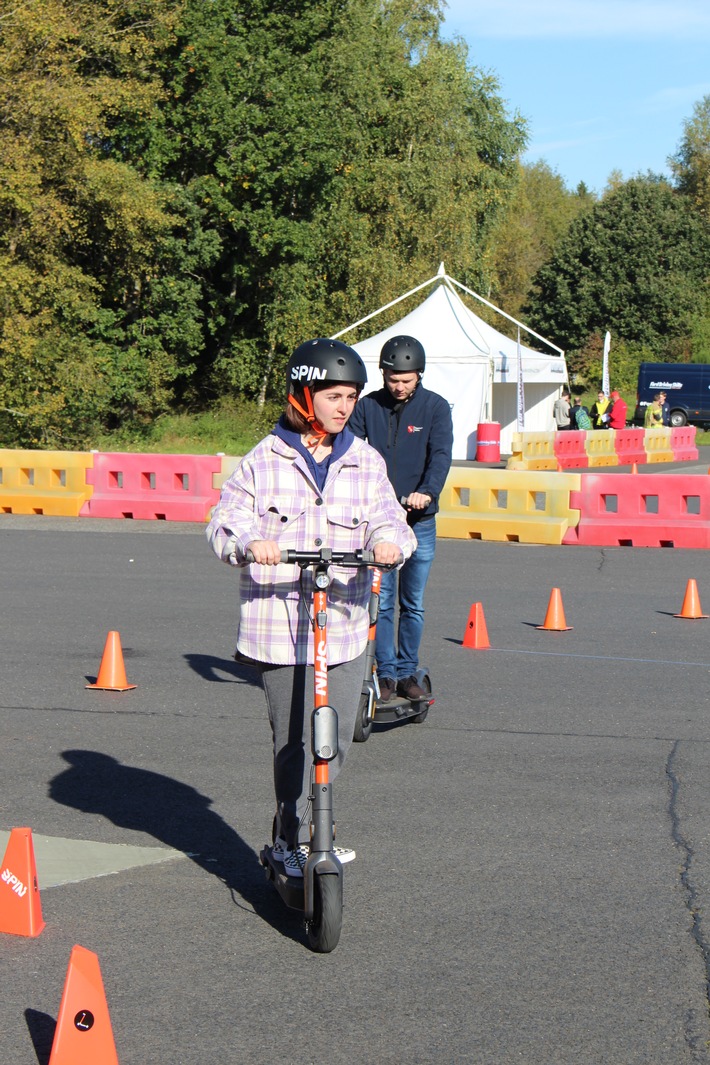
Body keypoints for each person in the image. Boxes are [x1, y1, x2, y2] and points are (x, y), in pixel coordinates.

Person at [206, 338, 416, 877]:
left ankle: (318, 824)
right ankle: (289, 828)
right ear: (304, 395)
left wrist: (390, 541)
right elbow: (225, 519)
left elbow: (387, 517)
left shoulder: (364, 461)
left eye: (351, 396)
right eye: (332, 395)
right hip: (279, 625)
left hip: (341, 623)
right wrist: (249, 542)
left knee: (336, 732)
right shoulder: (265, 459)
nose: (344, 407)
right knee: (292, 738)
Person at [348, 335, 453, 703]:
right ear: (384, 373)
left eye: (406, 380)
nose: (399, 386)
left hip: (419, 518)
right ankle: (387, 674)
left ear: (418, 375)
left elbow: (440, 456)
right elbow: (354, 455)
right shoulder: (366, 408)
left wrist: (428, 490)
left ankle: (409, 669)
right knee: (384, 601)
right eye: (393, 378)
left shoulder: (435, 408)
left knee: (414, 602)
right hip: (381, 522)